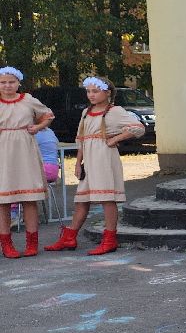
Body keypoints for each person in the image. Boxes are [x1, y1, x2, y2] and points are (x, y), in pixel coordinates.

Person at [45, 76, 142, 256]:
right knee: (82, 199)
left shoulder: (115, 111)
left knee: (107, 198)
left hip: (104, 157)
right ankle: (69, 236)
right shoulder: (86, 112)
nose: (91, 95)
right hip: (89, 159)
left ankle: (110, 238)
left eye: (95, 91)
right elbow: (81, 138)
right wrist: (78, 162)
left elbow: (137, 127)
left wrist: (116, 138)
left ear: (108, 93)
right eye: (89, 91)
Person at [0, 66, 54, 258]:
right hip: (3, 151)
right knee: (3, 201)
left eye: (11, 82)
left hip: (25, 149)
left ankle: (32, 243)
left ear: (18, 83)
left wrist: (38, 127)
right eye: (3, 82)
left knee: (30, 199)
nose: (7, 86)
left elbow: (47, 115)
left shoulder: (28, 100)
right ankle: (7, 244)